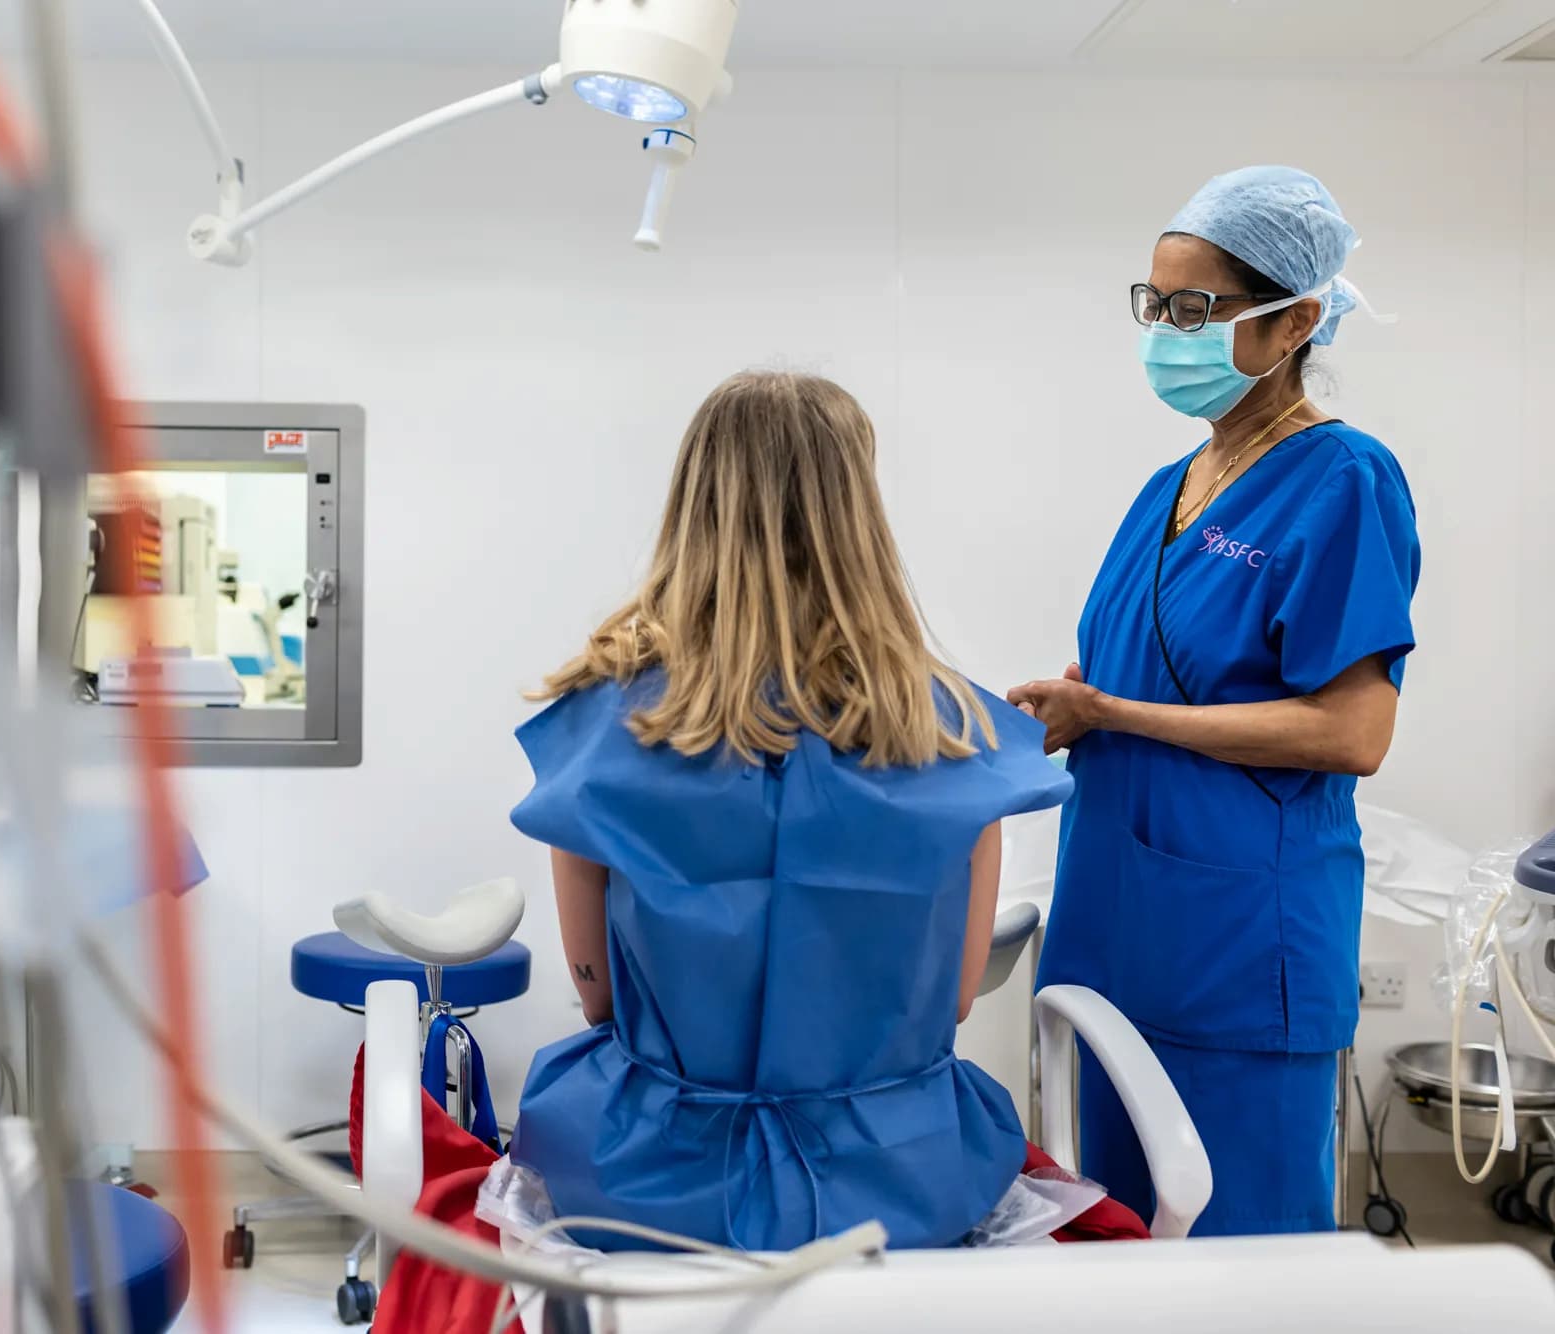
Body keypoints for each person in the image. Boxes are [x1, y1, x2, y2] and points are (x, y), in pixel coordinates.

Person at [502, 369, 1075, 1253]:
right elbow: (959, 997)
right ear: (859, 516)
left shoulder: (606, 726)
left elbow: (596, 999)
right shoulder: (946, 735)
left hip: (652, 1183)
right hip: (900, 1184)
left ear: (696, 507)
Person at [1008, 166, 1421, 1236]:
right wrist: (1052, 709)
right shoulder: (1169, 486)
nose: (1164, 331)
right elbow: (1123, 667)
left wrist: (1113, 717)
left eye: (1194, 309)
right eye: (1153, 304)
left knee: (1236, 1257)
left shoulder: (1342, 479)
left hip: (1235, 942)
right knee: (1118, 1236)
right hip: (1113, 923)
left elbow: (1351, 729)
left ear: (1294, 321)